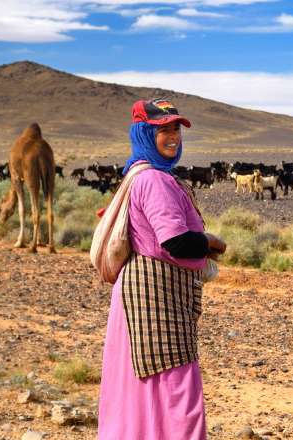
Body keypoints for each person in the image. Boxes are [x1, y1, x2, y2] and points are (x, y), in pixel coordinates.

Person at [98, 98, 226, 439]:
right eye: (162, 130)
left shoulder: (138, 175)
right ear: (143, 133)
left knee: (140, 390)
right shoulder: (154, 180)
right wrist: (212, 242)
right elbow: (176, 243)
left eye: (175, 130)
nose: (172, 137)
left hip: (142, 298)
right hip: (156, 302)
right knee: (176, 391)